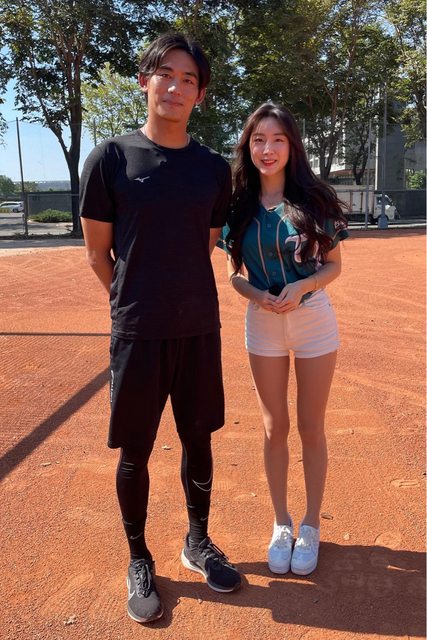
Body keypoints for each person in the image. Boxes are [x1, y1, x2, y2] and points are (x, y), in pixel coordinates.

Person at [79, 32, 241, 624]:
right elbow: (98, 253)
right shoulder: (111, 158)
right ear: (145, 81)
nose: (175, 86)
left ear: (201, 95)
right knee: (136, 448)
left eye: (189, 79)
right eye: (165, 74)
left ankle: (197, 541)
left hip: (197, 328)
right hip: (138, 332)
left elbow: (205, 244)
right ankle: (139, 557)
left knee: (199, 439)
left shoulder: (213, 170)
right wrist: (133, 304)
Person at [220, 102, 348, 576]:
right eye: (259, 140)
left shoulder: (315, 198)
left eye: (277, 139)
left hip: (313, 320)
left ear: (292, 146)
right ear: (248, 146)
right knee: (274, 427)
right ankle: (281, 522)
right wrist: (257, 294)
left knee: (311, 426)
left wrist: (303, 287)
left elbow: (333, 266)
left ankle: (311, 524)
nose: (267, 149)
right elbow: (233, 274)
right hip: (263, 322)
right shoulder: (236, 204)